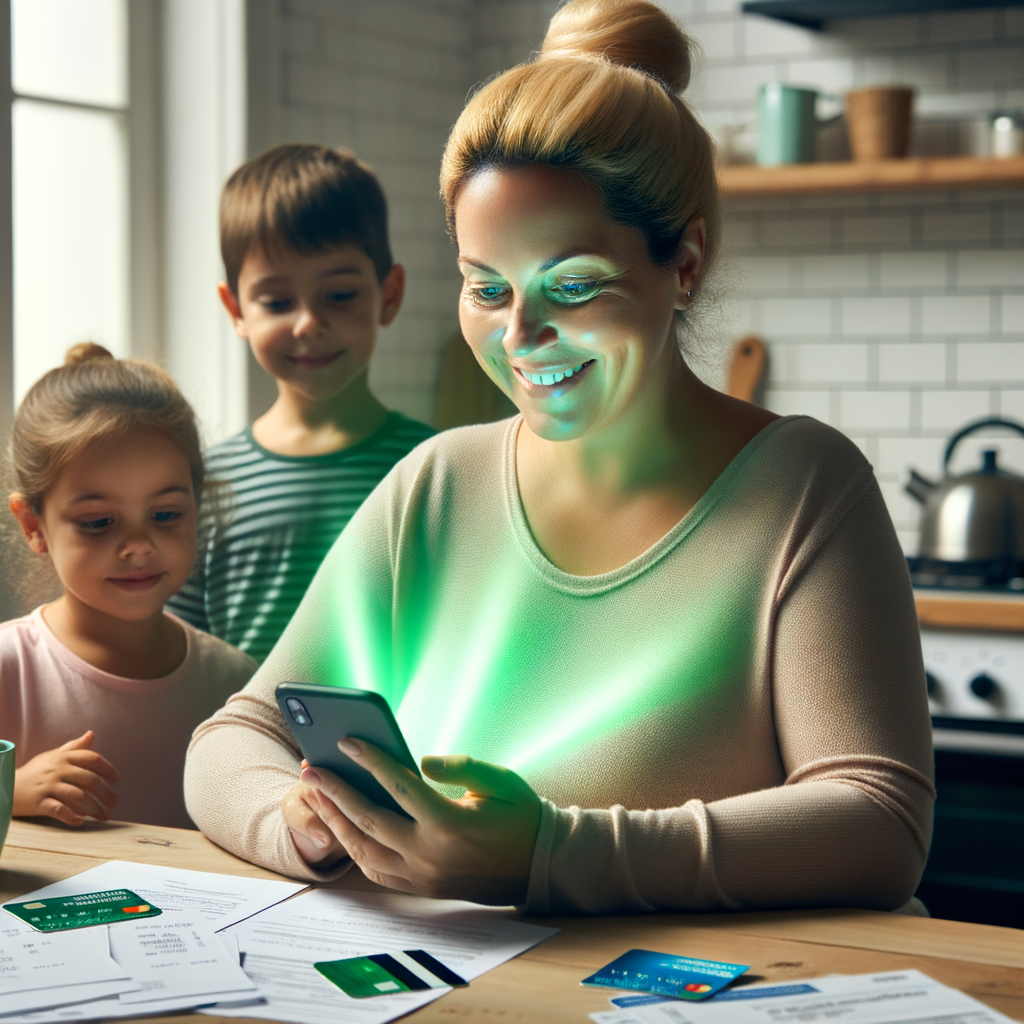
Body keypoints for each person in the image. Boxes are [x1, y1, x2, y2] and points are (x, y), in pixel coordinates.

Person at [184, 0, 934, 914]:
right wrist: (305, 820)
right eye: (485, 288)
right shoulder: (434, 485)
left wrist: (551, 852)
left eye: (571, 286)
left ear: (685, 262)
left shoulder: (804, 487)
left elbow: (879, 822)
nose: (521, 335)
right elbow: (235, 737)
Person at [166, 145, 435, 662]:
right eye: (277, 302)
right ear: (236, 308)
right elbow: (181, 659)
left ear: (390, 294)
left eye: (338, 295)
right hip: (242, 742)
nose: (308, 322)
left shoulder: (433, 467)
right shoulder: (204, 487)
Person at [2, 344, 257, 830]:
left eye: (165, 515)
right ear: (33, 524)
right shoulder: (9, 669)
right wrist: (11, 791)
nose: (139, 545)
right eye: (99, 522)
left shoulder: (235, 682)